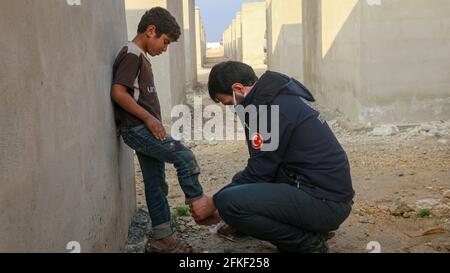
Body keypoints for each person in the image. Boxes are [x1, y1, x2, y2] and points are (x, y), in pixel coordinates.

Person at [190, 61, 355, 253]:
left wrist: (213, 203)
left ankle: (308, 244)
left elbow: (259, 173)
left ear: (238, 89)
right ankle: (306, 228)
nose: (232, 108)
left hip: (324, 203)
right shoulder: (275, 98)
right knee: (238, 192)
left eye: (229, 102)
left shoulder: (269, 110)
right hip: (323, 195)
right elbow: (264, 166)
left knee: (229, 203)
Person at [110, 7, 204, 253]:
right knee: (184, 156)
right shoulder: (131, 54)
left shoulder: (141, 57)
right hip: (138, 129)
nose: (165, 48)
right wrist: (149, 120)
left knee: (155, 183)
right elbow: (118, 92)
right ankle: (200, 203)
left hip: (145, 130)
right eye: (165, 41)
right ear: (151, 31)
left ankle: (163, 237)